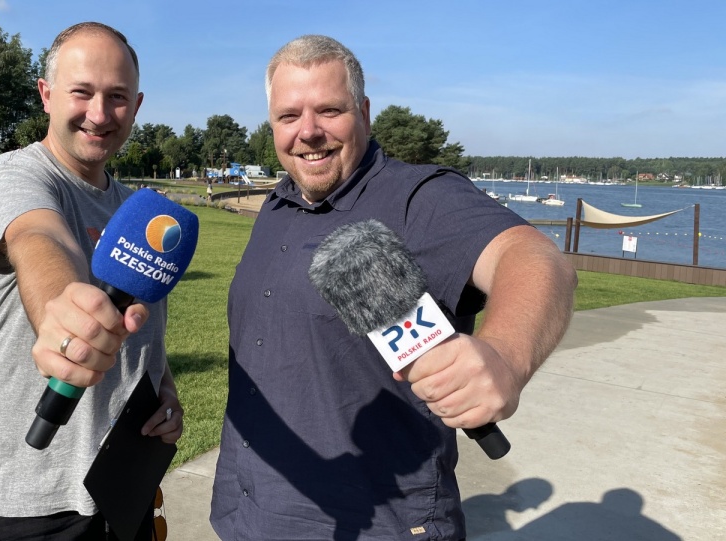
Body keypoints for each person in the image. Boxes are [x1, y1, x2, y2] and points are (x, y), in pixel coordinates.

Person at [210, 35, 577, 540]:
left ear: (363, 110)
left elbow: (536, 258)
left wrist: (506, 356)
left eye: (329, 110)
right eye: (288, 116)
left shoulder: (419, 198)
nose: (308, 132)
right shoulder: (277, 204)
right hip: (248, 515)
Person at [0, 22, 183, 540]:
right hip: (26, 502)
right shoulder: (14, 176)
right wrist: (62, 306)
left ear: (137, 105)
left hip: (121, 491)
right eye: (82, 92)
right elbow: (37, 236)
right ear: (47, 94)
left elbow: (145, 337)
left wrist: (165, 392)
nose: (99, 114)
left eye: (117, 97)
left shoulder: (137, 211)